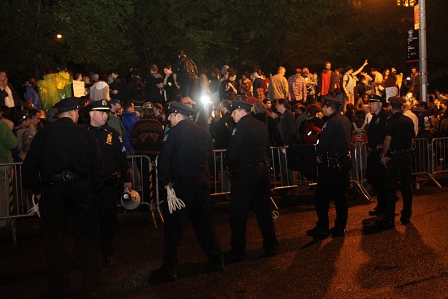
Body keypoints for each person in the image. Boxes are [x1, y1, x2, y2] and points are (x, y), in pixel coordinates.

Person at [22, 97, 104, 299]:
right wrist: (92, 189)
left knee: (55, 240)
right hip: (81, 188)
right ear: (75, 113)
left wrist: (37, 190)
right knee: (87, 237)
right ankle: (91, 285)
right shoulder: (86, 135)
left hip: (54, 189)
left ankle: (59, 288)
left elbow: (30, 166)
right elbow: (98, 167)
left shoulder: (44, 134)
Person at [149, 102, 223, 283]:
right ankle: (216, 259)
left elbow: (164, 160)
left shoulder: (173, 134)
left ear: (178, 116)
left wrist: (165, 182)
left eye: (170, 115)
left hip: (181, 185)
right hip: (201, 182)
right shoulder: (203, 131)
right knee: (204, 223)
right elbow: (210, 157)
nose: (168, 119)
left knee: (173, 227)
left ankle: (169, 269)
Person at [224, 100, 278, 263]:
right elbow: (267, 146)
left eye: (233, 112)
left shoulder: (240, 127)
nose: (232, 115)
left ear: (241, 111)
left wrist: (229, 164)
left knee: (238, 212)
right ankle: (271, 244)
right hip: (262, 171)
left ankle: (238, 250)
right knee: (263, 210)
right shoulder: (261, 124)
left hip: (246, 173)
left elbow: (232, 153)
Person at [86, 100, 132, 268]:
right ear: (91, 114)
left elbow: (121, 158)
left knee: (108, 221)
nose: (106, 115)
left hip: (108, 186)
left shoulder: (112, 133)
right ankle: (89, 253)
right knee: (89, 221)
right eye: (101, 112)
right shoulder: (84, 133)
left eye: (106, 112)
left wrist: (127, 178)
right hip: (89, 187)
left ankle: (106, 252)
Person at [306, 96, 351, 239]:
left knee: (321, 197)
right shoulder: (345, 119)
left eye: (324, 107)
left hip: (331, 164)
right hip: (343, 162)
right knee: (341, 196)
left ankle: (323, 227)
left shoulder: (331, 122)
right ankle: (340, 227)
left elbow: (324, 143)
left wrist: (319, 153)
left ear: (329, 107)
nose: (323, 110)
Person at [376, 96, 414, 229]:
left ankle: (389, 218)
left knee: (391, 188)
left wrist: (384, 154)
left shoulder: (391, 121)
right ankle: (406, 215)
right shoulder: (409, 121)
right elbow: (412, 139)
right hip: (407, 155)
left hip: (395, 157)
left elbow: (388, 139)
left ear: (391, 107)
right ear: (402, 107)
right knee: (407, 187)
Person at [365, 94, 391, 216]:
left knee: (381, 180)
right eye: (370, 103)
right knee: (371, 176)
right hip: (374, 151)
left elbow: (388, 134)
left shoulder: (385, 116)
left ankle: (383, 205)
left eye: (373, 103)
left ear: (380, 104)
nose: (371, 105)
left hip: (380, 152)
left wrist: (383, 146)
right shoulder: (375, 116)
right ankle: (386, 201)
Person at [0, 117, 17, 227]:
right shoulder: (3, 125)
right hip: (3, 162)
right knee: (3, 193)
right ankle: (3, 220)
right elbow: (13, 144)